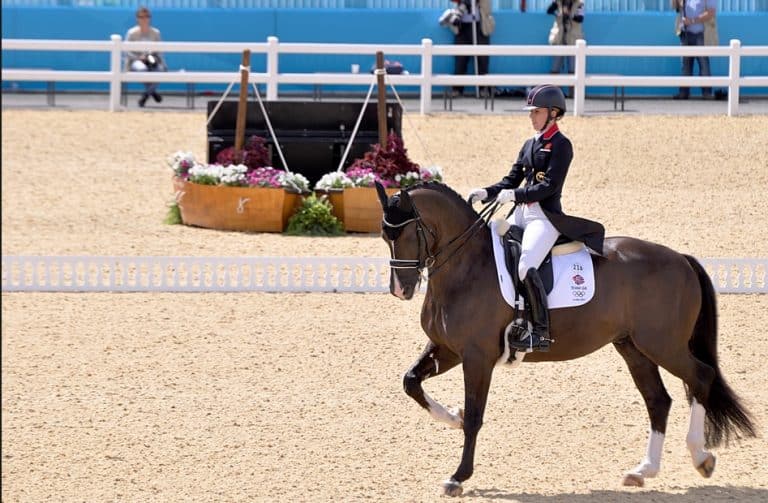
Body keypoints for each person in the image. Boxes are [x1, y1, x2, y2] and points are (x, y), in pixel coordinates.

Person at [467, 84, 604, 353]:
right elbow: (511, 179)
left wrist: (515, 194)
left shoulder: (561, 145)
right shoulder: (529, 144)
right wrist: (487, 192)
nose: (532, 117)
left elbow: (550, 186)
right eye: (531, 112)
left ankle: (540, 332)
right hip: (520, 213)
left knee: (525, 265)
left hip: (544, 217)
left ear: (553, 113)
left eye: (537, 112)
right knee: (490, 248)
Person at [446, 0, 495, 98]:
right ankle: (457, 89)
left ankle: (483, 88)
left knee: (482, 60)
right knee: (460, 60)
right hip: (462, 26)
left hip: (480, 26)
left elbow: (487, 8)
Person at [672, 0, 716, 100]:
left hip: (701, 34)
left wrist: (692, 21)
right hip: (685, 33)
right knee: (685, 64)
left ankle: (707, 93)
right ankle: (683, 93)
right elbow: (675, 8)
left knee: (704, 64)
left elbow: (711, 13)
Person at [125, 6, 167, 108]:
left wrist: (154, 57)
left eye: (146, 16)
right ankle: (152, 92)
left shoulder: (156, 33)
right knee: (142, 70)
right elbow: (126, 51)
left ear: (150, 18)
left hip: (152, 60)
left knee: (159, 70)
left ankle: (146, 95)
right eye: (141, 17)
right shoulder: (131, 33)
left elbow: (160, 50)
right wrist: (138, 58)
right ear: (137, 18)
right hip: (136, 60)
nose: (144, 19)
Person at [546, 0, 584, 98]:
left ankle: (573, 94)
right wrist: (557, 13)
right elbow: (548, 11)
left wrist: (569, 15)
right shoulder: (557, 2)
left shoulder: (579, 4)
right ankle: (554, 93)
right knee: (556, 67)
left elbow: (580, 18)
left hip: (573, 39)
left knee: (573, 67)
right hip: (559, 39)